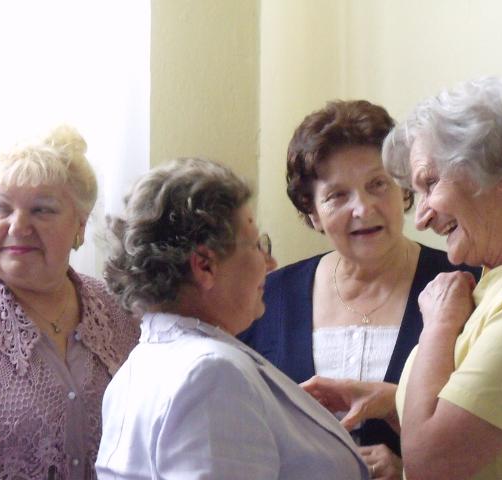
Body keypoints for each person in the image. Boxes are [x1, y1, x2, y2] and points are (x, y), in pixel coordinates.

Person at [303, 77, 502, 479]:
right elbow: (486, 422)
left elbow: (431, 464)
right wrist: (389, 400)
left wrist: (438, 326)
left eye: (430, 183)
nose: (420, 216)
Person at [238, 100, 480, 478]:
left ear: (404, 191)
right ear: (312, 213)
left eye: (377, 184)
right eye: (337, 195)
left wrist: (405, 470)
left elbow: (496, 437)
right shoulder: (267, 297)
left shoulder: (467, 284)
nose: (363, 209)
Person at [95, 157, 369, 480]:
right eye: (256, 245)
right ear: (205, 266)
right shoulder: (211, 373)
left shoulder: (136, 368)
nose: (270, 262)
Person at [0, 126, 139, 479]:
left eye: (42, 210)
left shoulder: (120, 311)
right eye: (0, 208)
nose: (18, 226)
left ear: (79, 227)